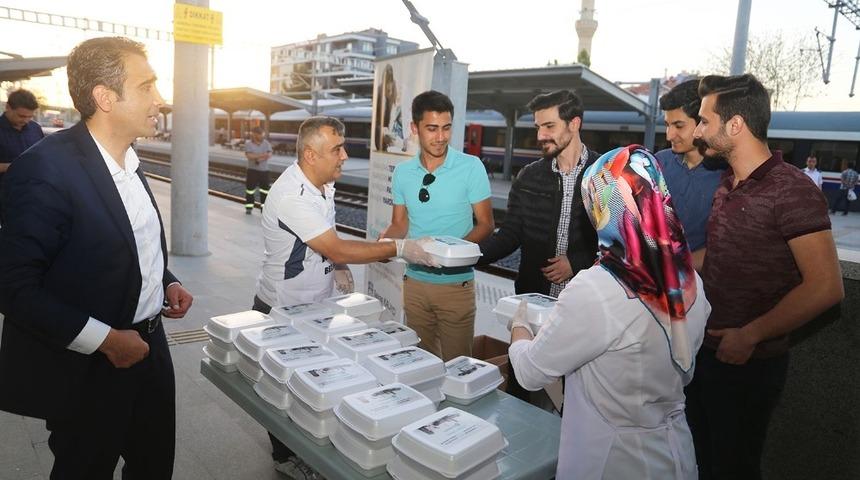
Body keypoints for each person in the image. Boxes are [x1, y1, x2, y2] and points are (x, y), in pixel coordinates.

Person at [0, 37, 194, 479]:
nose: (160, 100)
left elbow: (128, 239)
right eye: (147, 87)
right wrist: (107, 340)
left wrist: (167, 280)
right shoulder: (45, 171)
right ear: (105, 98)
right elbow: (13, 287)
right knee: (85, 466)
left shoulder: (128, 156)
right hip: (89, 362)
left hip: (151, 345)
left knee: (153, 461)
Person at [508, 145, 711, 479]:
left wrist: (520, 332)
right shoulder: (690, 283)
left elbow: (531, 373)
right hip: (675, 454)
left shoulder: (598, 289)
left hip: (613, 460)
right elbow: (683, 365)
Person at [253, 115, 437, 478]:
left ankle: (306, 450)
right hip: (282, 306)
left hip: (314, 304)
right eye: (336, 149)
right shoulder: (292, 195)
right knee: (282, 389)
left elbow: (326, 237)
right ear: (310, 154)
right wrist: (399, 248)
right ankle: (284, 457)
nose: (344, 156)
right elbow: (335, 244)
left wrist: (335, 264)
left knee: (313, 385)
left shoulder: (322, 183)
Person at [688, 74, 844, 480]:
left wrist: (751, 335)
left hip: (749, 365)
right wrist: (674, 264)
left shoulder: (792, 190)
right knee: (700, 462)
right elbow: (721, 253)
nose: (698, 132)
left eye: (704, 121)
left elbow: (826, 286)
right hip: (706, 353)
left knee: (734, 469)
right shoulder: (728, 184)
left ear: (735, 125)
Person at [382, 90, 494, 361]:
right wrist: (380, 246)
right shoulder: (402, 173)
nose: (441, 137)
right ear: (414, 128)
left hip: (456, 287)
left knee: (457, 366)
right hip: (415, 284)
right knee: (419, 362)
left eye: (446, 128)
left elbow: (487, 223)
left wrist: (451, 254)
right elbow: (398, 224)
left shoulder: (471, 167)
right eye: (432, 129)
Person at [477, 89, 599, 296]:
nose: (540, 136)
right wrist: (465, 255)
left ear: (574, 124)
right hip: (533, 298)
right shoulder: (528, 176)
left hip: (585, 303)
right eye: (538, 127)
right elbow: (510, 234)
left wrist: (577, 262)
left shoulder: (605, 174)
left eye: (549, 126)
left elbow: (623, 245)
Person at [654, 79, 724, 271]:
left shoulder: (727, 176)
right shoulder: (658, 163)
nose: (669, 135)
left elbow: (725, 249)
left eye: (678, 126)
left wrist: (672, 269)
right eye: (667, 125)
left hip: (700, 289)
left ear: (702, 122)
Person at [0, 88, 45, 221]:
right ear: (8, 107)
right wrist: (13, 166)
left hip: (32, 198)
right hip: (4, 198)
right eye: (21, 116)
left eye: (30, 117)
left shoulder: (35, 129)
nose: (26, 120)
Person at [244, 126, 272, 214]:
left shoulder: (266, 143)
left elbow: (269, 154)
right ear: (254, 134)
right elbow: (249, 156)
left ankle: (264, 209)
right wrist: (263, 155)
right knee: (250, 190)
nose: (261, 135)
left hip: (264, 171)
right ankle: (249, 207)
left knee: (265, 190)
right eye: (259, 134)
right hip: (252, 171)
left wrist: (257, 158)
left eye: (261, 134)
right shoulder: (248, 144)